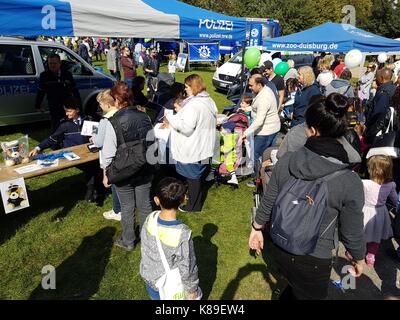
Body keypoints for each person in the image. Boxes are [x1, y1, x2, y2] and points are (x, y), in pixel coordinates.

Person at [249, 93, 365, 300]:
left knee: (295, 288)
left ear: (312, 130)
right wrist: (358, 257)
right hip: (314, 257)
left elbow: (269, 199)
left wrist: (256, 228)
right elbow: (352, 228)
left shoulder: (286, 162)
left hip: (280, 244)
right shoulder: (350, 180)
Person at [101, 82, 153, 251]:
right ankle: (147, 240)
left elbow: (108, 153)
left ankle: (128, 240)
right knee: (145, 205)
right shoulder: (145, 116)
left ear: (116, 100)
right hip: (144, 166)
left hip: (123, 170)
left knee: (127, 206)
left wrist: (105, 173)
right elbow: (151, 141)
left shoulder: (112, 121)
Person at [29, 96, 102, 202]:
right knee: (92, 168)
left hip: (88, 153)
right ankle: (92, 190)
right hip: (73, 156)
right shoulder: (65, 124)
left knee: (95, 164)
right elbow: (52, 139)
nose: (67, 114)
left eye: (69, 111)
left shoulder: (89, 120)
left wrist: (94, 138)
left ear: (77, 110)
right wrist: (38, 147)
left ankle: (93, 189)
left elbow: (96, 137)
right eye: (66, 111)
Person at [140, 177, 202, 300]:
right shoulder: (182, 234)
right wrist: (192, 290)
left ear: (156, 200)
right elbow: (188, 267)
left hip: (150, 277)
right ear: (184, 199)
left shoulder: (150, 218)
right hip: (168, 284)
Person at [164, 74, 217, 212]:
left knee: (193, 178)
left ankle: (193, 206)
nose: (185, 89)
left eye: (187, 87)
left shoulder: (194, 105)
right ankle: (195, 200)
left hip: (194, 148)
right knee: (197, 177)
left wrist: (171, 117)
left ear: (194, 87)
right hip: (204, 145)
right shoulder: (207, 100)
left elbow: (186, 128)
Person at [242, 74, 280, 187]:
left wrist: (245, 133)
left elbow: (259, 120)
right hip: (271, 128)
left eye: (251, 85)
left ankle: (257, 180)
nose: (249, 87)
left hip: (266, 132)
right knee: (268, 155)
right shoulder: (264, 90)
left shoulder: (264, 98)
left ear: (259, 84)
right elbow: (259, 109)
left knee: (256, 155)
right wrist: (248, 108)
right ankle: (269, 176)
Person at [91, 90, 121, 221]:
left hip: (111, 157)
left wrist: (93, 138)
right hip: (124, 154)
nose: (100, 107)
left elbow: (99, 142)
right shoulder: (123, 113)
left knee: (115, 184)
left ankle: (117, 210)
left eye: (101, 105)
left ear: (107, 105)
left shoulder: (105, 120)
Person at [362, 155, 397, 267]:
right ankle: (371, 255)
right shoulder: (391, 185)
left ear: (374, 170)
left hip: (365, 210)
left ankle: (357, 251)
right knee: (376, 234)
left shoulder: (364, 183)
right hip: (380, 212)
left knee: (362, 231)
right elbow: (395, 200)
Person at [35, 53, 81, 131]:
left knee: (69, 124)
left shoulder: (67, 74)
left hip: (67, 104)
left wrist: (79, 105)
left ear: (60, 63)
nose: (52, 65)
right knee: (56, 125)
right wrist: (37, 105)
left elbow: (74, 90)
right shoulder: (44, 75)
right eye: (50, 63)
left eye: (55, 63)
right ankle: (56, 140)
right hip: (54, 105)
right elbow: (41, 91)